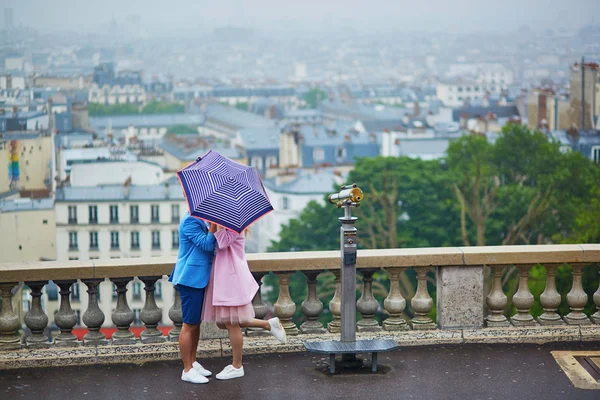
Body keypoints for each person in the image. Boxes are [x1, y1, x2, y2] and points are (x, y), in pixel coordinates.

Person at [202, 225, 287, 380]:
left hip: (231, 277)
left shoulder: (233, 227)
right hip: (224, 275)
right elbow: (211, 245)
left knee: (231, 323)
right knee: (222, 323)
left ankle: (237, 365)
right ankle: (268, 324)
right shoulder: (228, 226)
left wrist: (216, 225)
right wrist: (213, 226)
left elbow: (222, 243)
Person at [168, 213, 217, 384]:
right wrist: (213, 225)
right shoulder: (189, 220)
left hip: (198, 278)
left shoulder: (199, 219)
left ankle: (193, 362)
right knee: (188, 324)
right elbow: (206, 245)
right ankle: (187, 369)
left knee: (195, 323)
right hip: (190, 279)